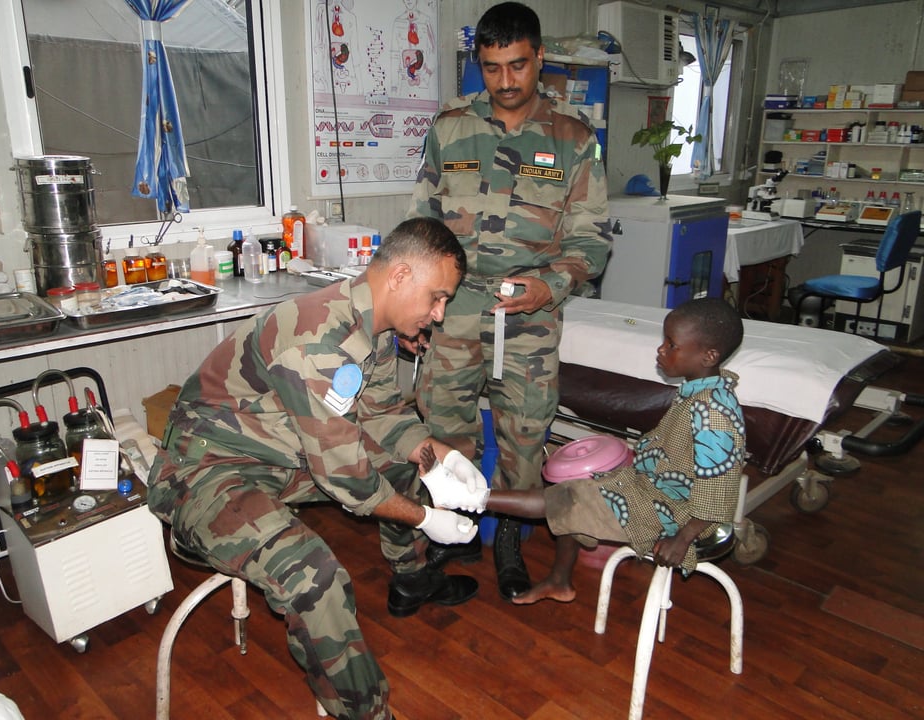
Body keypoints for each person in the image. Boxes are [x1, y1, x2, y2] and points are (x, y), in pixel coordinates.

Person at [146, 217, 493, 720]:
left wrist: (440, 456)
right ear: (398, 277)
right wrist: (426, 519)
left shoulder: (367, 324)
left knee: (405, 467)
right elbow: (348, 480)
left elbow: (384, 415)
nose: (439, 315)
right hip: (204, 471)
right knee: (314, 577)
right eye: (437, 297)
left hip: (277, 452)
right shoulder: (317, 340)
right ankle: (367, 714)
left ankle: (411, 579)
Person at [405, 1, 612, 601]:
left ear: (539, 58)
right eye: (493, 69)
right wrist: (415, 308)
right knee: (444, 427)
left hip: (531, 314)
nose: (506, 82)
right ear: (480, 65)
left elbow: (590, 237)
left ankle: (509, 541)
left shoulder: (573, 138)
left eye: (518, 66)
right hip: (454, 308)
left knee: (525, 435)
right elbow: (422, 227)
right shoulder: (449, 129)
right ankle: (454, 531)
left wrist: (555, 284)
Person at [424, 298, 746, 604]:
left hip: (668, 513)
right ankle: (559, 581)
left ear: (708, 356)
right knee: (575, 492)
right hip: (650, 486)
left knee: (567, 500)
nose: (661, 349)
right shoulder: (701, 393)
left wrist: (683, 538)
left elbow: (717, 491)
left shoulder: (713, 415)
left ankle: (463, 497)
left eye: (672, 344)